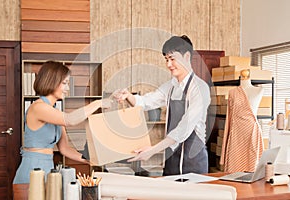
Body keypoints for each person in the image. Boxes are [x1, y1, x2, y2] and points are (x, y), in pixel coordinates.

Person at [114, 35, 211, 175]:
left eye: (172, 59)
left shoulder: (200, 89)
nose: (168, 65)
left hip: (194, 162)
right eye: (166, 59)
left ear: (187, 56)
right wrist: (128, 96)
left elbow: (184, 127)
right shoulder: (170, 87)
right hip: (171, 160)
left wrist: (153, 150)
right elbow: (146, 102)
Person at [13, 61, 111, 184]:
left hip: (48, 167)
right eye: (64, 83)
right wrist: (98, 103)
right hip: (32, 169)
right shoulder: (38, 107)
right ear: (52, 81)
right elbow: (70, 120)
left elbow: (64, 149)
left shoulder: (55, 112)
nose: (67, 89)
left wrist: (89, 160)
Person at [220, 69, 264, 173]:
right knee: (234, 170)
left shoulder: (259, 90)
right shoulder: (233, 92)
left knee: (252, 168)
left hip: (251, 132)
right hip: (236, 134)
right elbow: (229, 119)